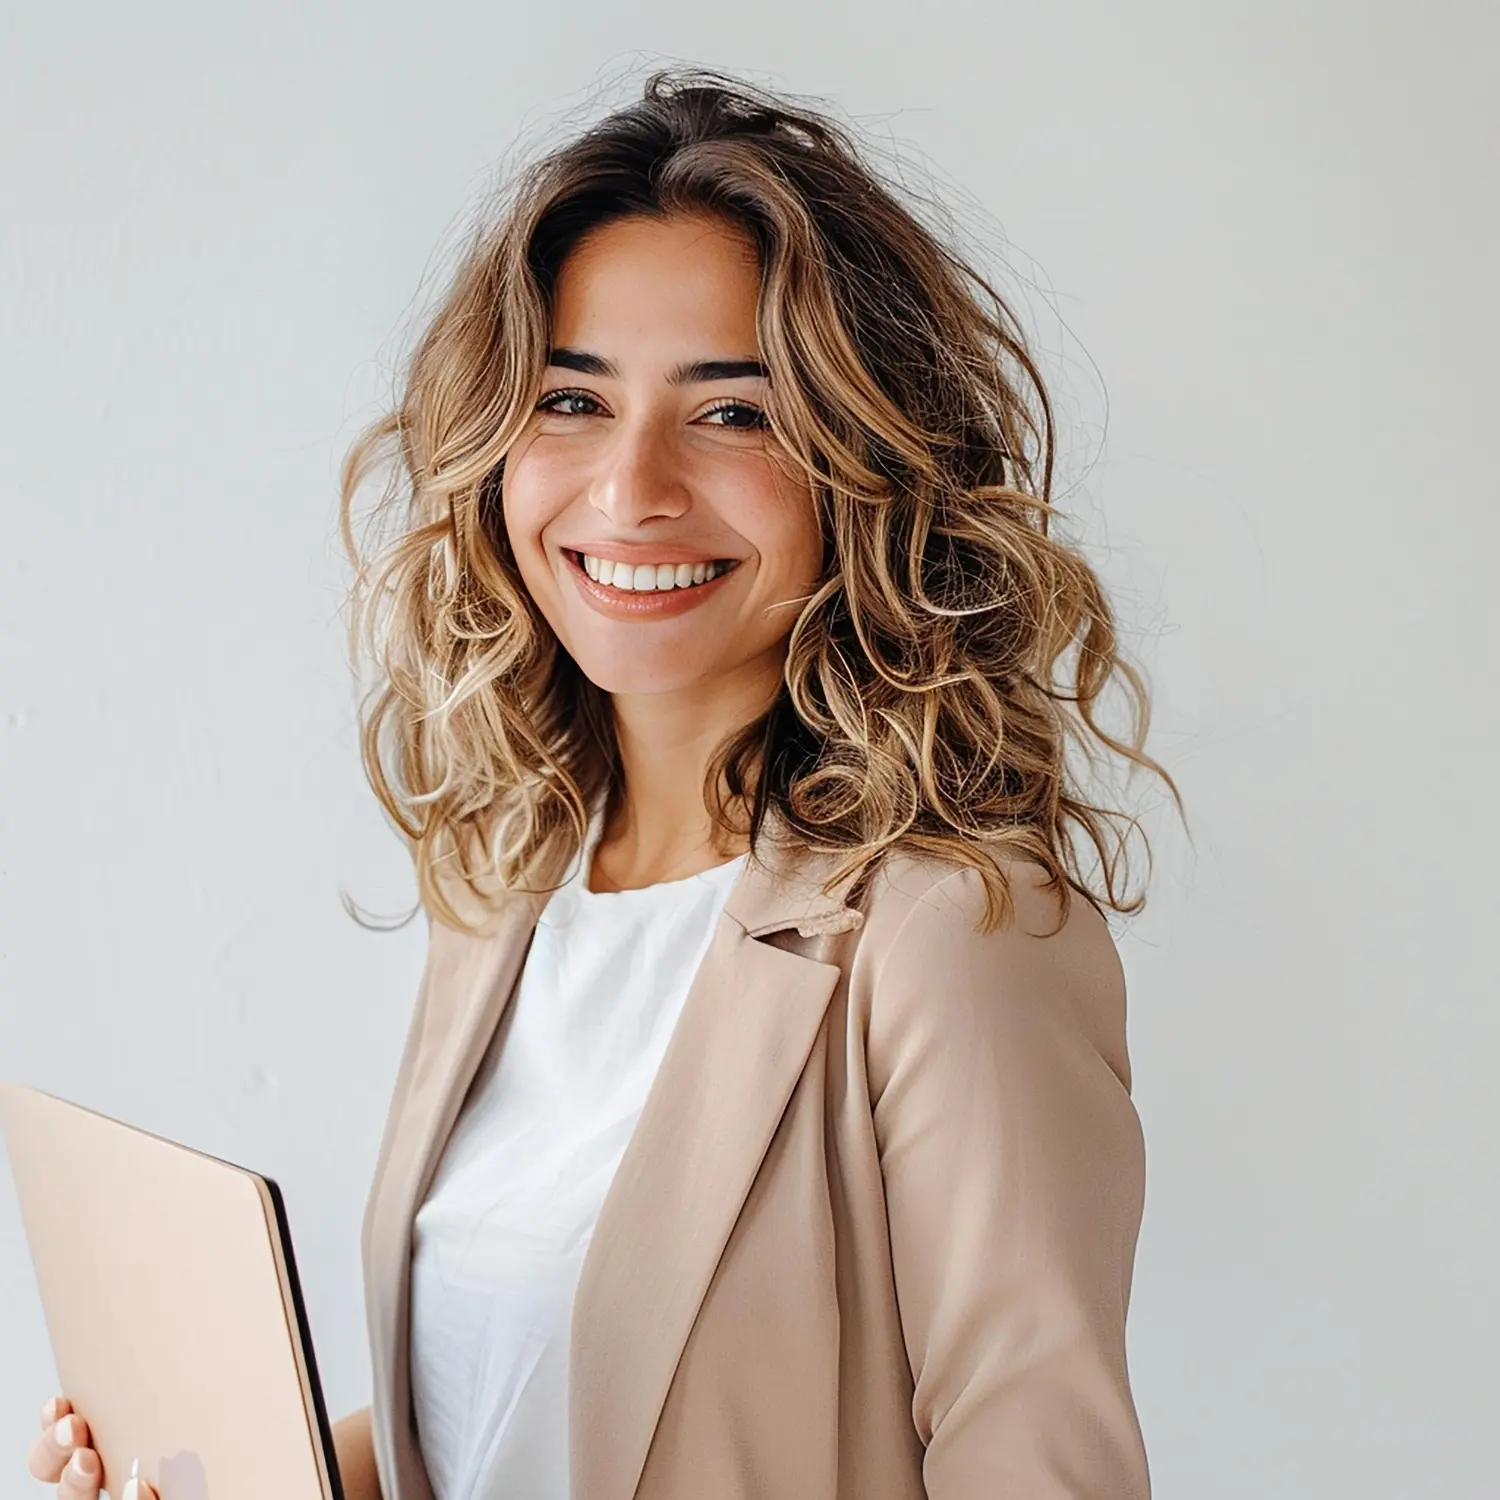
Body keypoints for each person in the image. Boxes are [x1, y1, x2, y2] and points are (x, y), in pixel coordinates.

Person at [28, 66, 1183, 1500]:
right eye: (573, 398)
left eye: (733, 414)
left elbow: (1039, 1467)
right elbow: (513, 1417)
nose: (630, 488)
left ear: (868, 468)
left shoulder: (956, 929)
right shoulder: (511, 890)